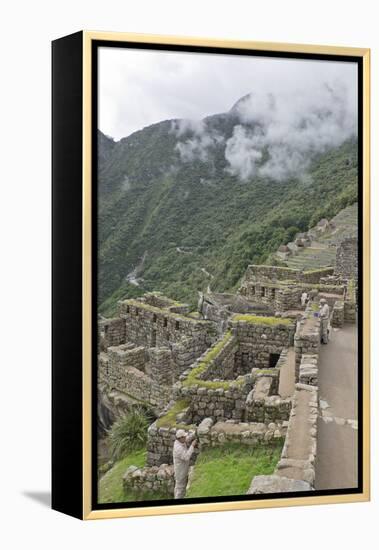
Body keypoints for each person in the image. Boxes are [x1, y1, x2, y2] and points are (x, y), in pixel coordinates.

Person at [173, 429, 197, 499]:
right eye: (184, 436)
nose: (186, 437)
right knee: (180, 487)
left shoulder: (180, 441)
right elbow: (186, 457)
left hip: (183, 468)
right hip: (180, 471)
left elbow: (187, 439)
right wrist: (192, 446)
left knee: (179, 487)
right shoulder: (178, 448)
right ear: (180, 438)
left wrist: (194, 433)